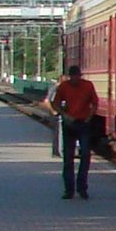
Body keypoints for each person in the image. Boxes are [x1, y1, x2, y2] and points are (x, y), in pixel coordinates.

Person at [48, 63, 101, 199]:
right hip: (69, 124)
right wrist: (64, 115)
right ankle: (69, 190)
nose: (74, 80)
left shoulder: (88, 86)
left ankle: (82, 188)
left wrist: (89, 117)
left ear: (80, 76)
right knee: (68, 158)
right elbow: (55, 103)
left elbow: (95, 103)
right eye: (72, 77)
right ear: (69, 76)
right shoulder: (63, 87)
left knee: (85, 155)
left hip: (83, 123)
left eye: (76, 77)